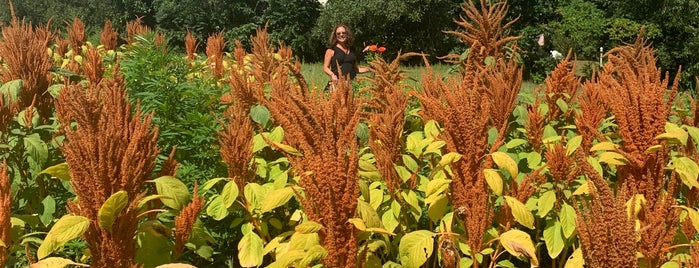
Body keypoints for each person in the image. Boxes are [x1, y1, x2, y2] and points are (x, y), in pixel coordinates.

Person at [323, 24, 370, 91]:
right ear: (335, 36)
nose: (341, 35)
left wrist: (371, 69)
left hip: (351, 85)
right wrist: (332, 75)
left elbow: (356, 69)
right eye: (338, 33)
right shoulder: (331, 50)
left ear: (347, 34)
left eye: (343, 33)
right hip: (336, 85)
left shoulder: (352, 50)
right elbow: (325, 67)